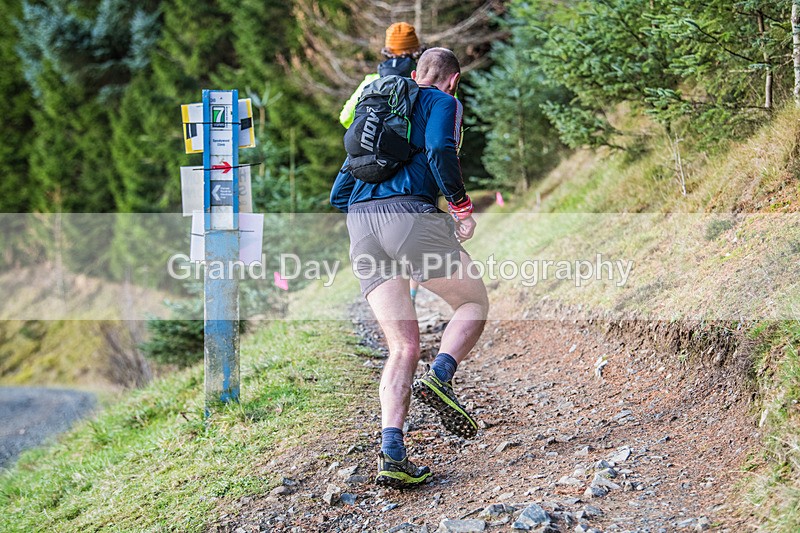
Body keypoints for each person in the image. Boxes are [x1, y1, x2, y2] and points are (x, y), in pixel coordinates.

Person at [331, 48, 489, 489]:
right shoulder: (443, 102)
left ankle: (392, 454)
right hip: (410, 217)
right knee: (473, 302)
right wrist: (458, 208)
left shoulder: (377, 108)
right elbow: (440, 148)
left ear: (415, 73)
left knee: (401, 346)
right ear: (452, 81)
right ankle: (440, 377)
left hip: (360, 224)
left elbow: (339, 191)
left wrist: (374, 216)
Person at [339, 22, 426, 129]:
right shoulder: (426, 80)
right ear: (416, 51)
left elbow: (346, 117)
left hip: (377, 142)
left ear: (387, 51)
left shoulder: (372, 81)